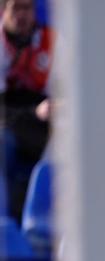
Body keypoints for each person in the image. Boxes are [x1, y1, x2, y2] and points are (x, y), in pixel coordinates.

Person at [1, 0, 53, 212]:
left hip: (44, 124)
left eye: (27, 8)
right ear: (3, 10)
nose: (22, 15)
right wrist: (33, 112)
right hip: (9, 120)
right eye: (16, 8)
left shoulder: (54, 41)